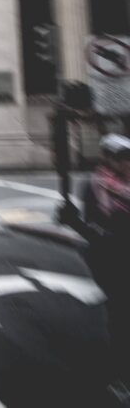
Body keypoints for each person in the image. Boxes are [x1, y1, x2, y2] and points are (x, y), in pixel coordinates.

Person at [83, 134, 130, 390]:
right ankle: (120, 376)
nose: (127, 164)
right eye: (122, 159)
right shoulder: (98, 184)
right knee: (122, 311)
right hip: (111, 255)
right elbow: (95, 221)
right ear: (110, 160)